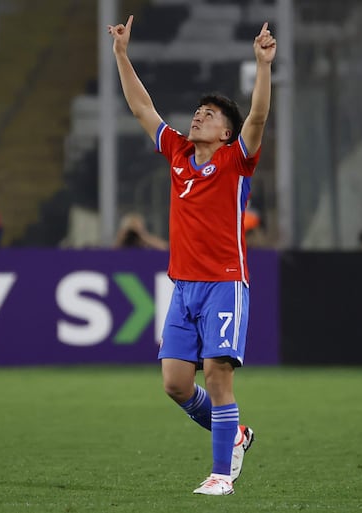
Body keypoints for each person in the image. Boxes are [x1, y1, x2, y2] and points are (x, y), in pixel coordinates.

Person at [108, 15, 274, 496]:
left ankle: (222, 474)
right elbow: (142, 108)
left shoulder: (236, 159)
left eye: (210, 114)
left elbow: (258, 118)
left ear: (227, 133)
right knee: (176, 384)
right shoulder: (179, 153)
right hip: (184, 286)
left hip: (225, 281)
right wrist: (121, 55)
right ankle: (237, 434)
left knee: (218, 374)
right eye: (198, 110)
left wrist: (262, 66)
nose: (199, 115)